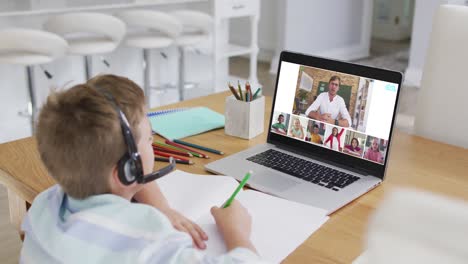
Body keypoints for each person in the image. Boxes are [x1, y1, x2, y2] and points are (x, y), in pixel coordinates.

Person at [20, 75, 261, 263]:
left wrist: (161, 205)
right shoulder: (148, 237)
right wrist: (237, 233)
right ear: (127, 170)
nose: (153, 140)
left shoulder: (44, 207)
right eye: (149, 138)